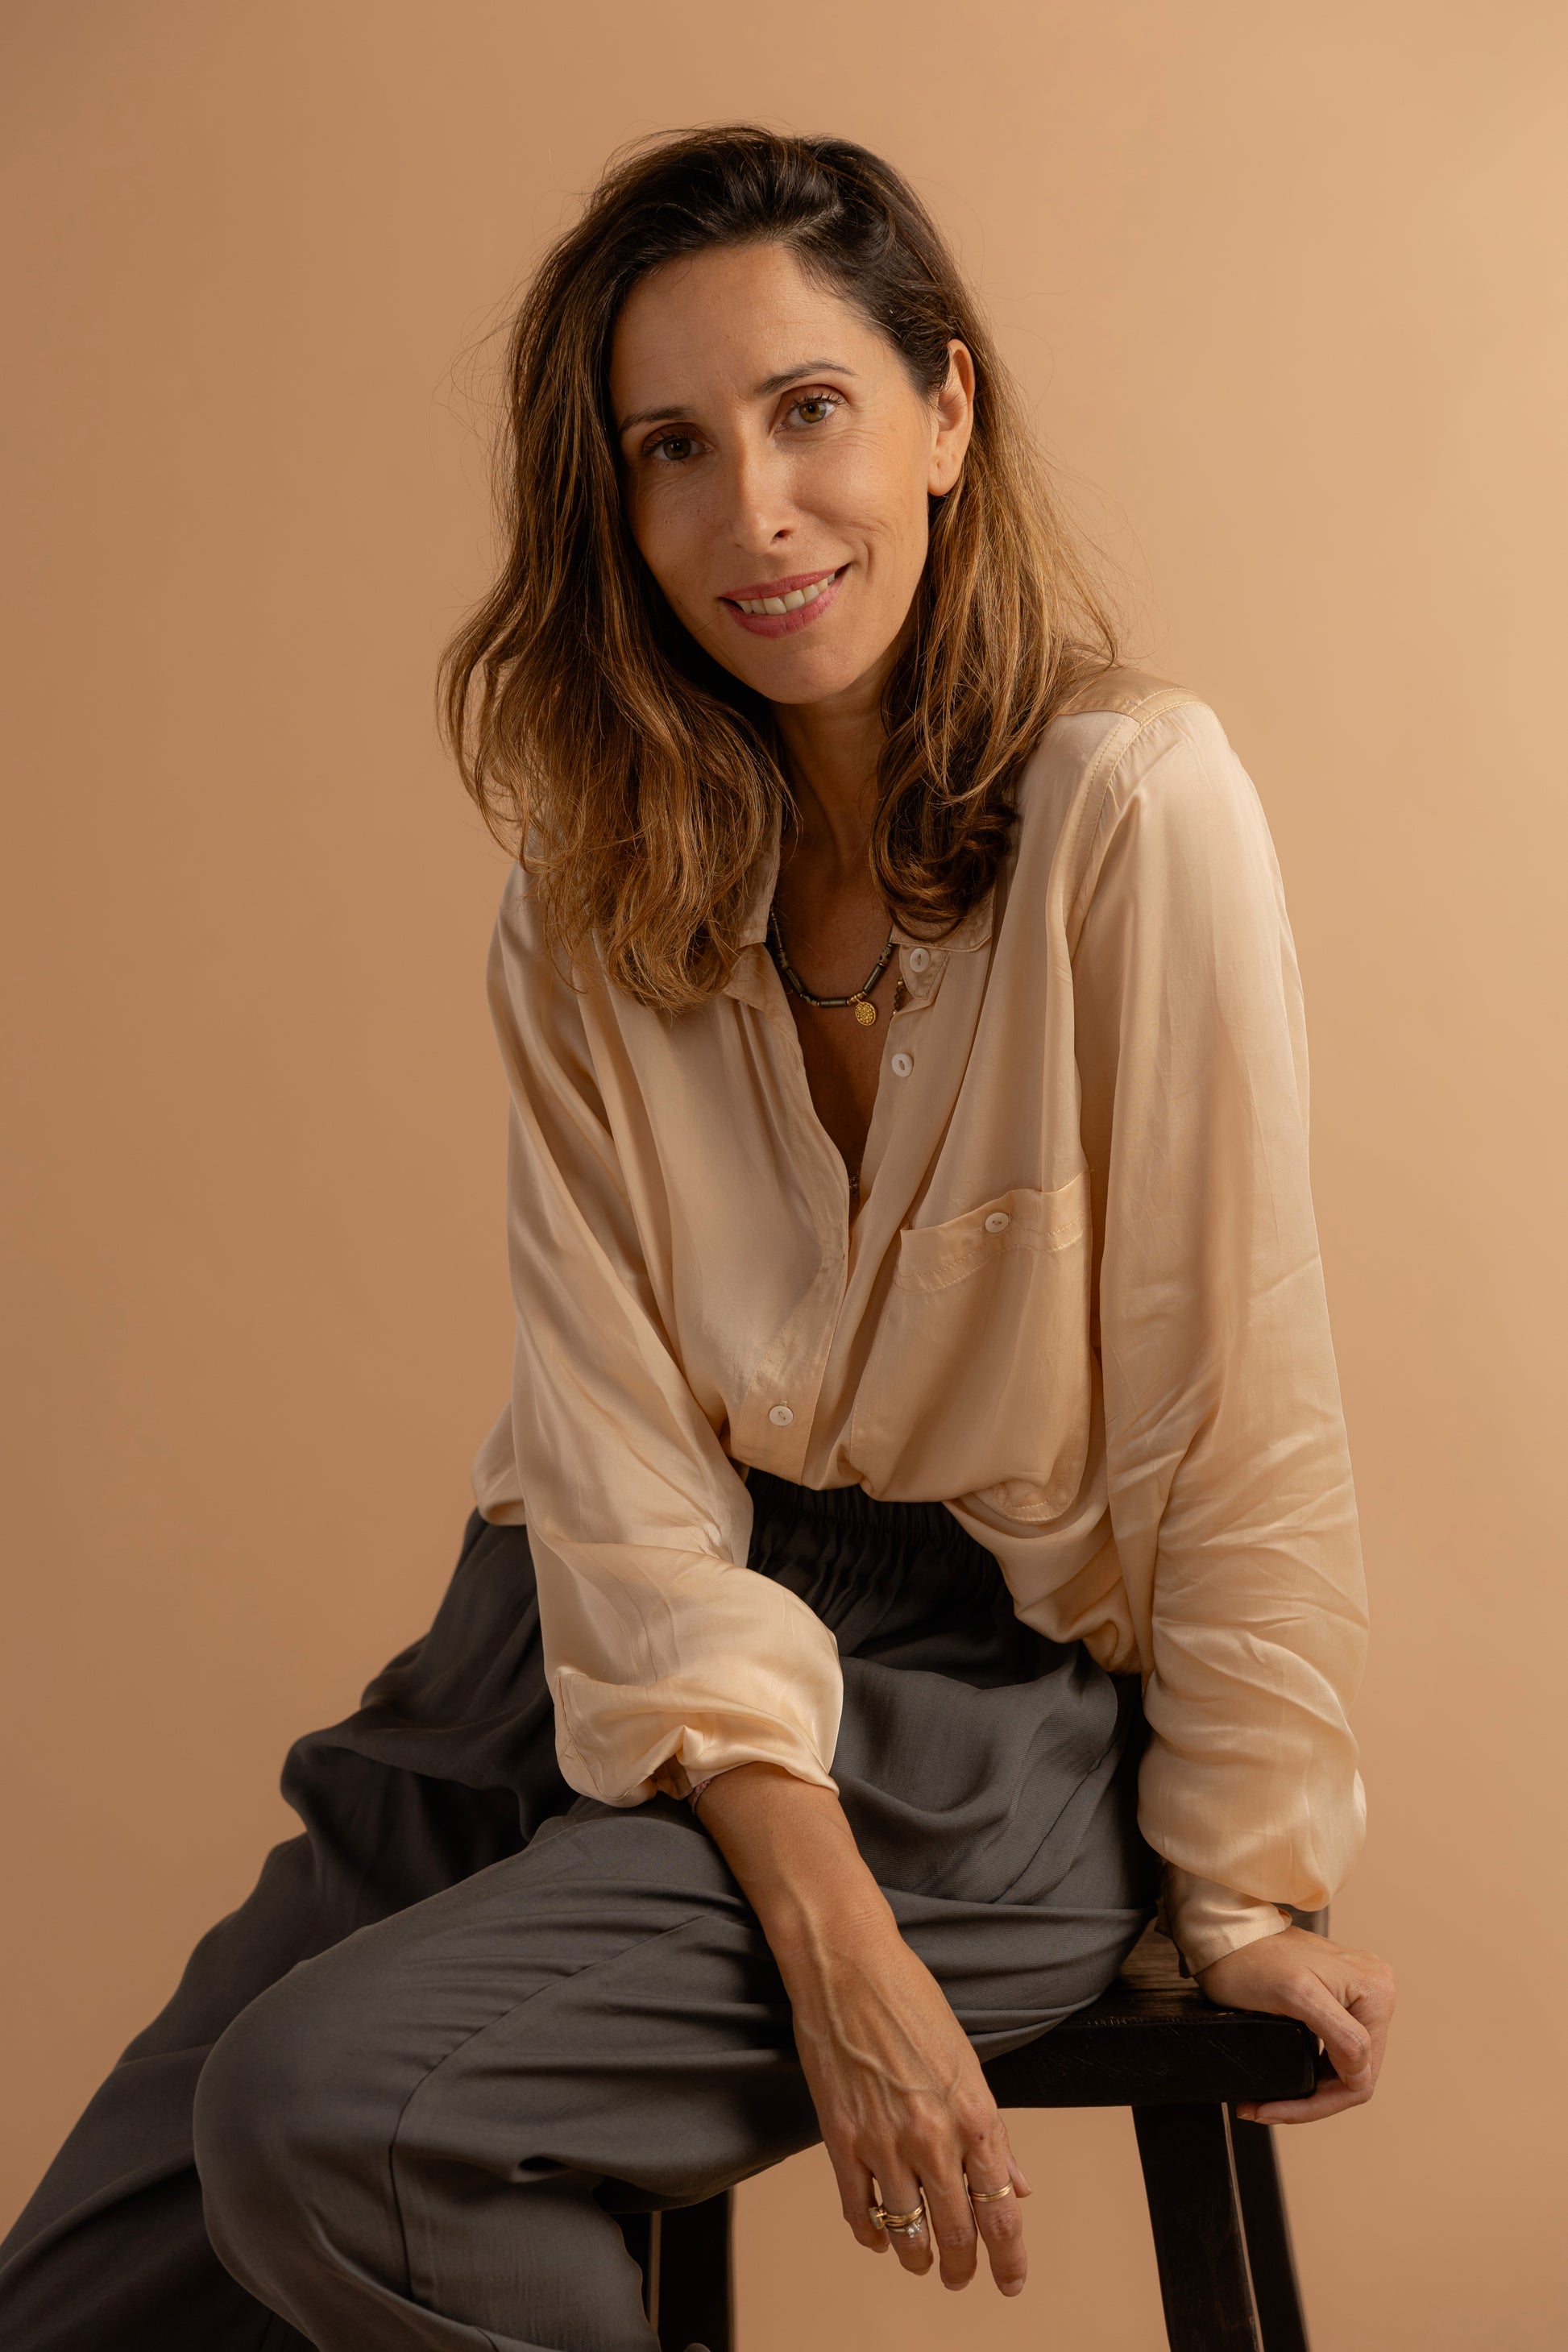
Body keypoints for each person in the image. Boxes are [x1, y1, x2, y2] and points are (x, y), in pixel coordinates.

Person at [0, 125, 1395, 2352]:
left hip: (973, 1707)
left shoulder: (1130, 813)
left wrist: (1243, 1887)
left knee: (333, 2122)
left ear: (944, 413)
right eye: (672, 448)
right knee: (78, 2303)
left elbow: (1236, 1403)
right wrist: (815, 1927)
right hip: (575, 1632)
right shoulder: (582, 909)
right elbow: (620, 1469)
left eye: (807, 409)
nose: (752, 509)